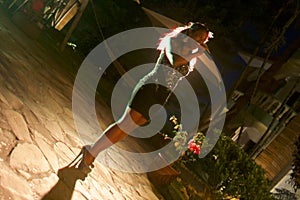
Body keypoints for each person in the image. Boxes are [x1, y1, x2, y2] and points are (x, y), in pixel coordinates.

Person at [69, 22, 213, 173]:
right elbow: (174, 62)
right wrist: (196, 53)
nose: (201, 40)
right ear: (190, 32)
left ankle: (92, 151)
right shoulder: (173, 42)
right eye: (199, 35)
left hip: (161, 96)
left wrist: (194, 54)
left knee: (127, 129)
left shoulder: (191, 56)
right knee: (124, 123)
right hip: (150, 87)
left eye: (204, 39)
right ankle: (90, 153)